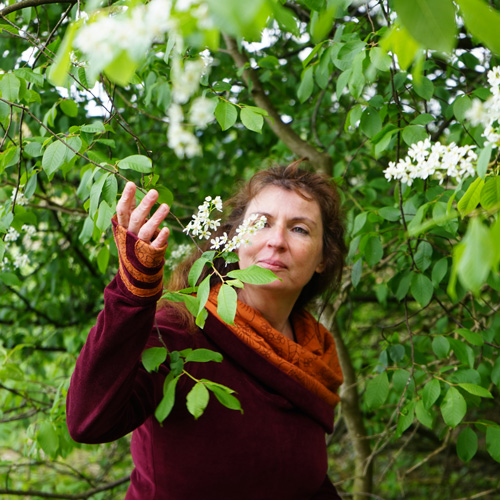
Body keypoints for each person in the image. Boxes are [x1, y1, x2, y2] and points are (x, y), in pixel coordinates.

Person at [66, 161, 347, 499]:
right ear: (234, 239)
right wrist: (131, 295)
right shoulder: (180, 328)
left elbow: (303, 481)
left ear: (322, 258)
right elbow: (88, 422)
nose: (277, 241)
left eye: (300, 229)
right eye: (261, 223)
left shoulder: (314, 352)